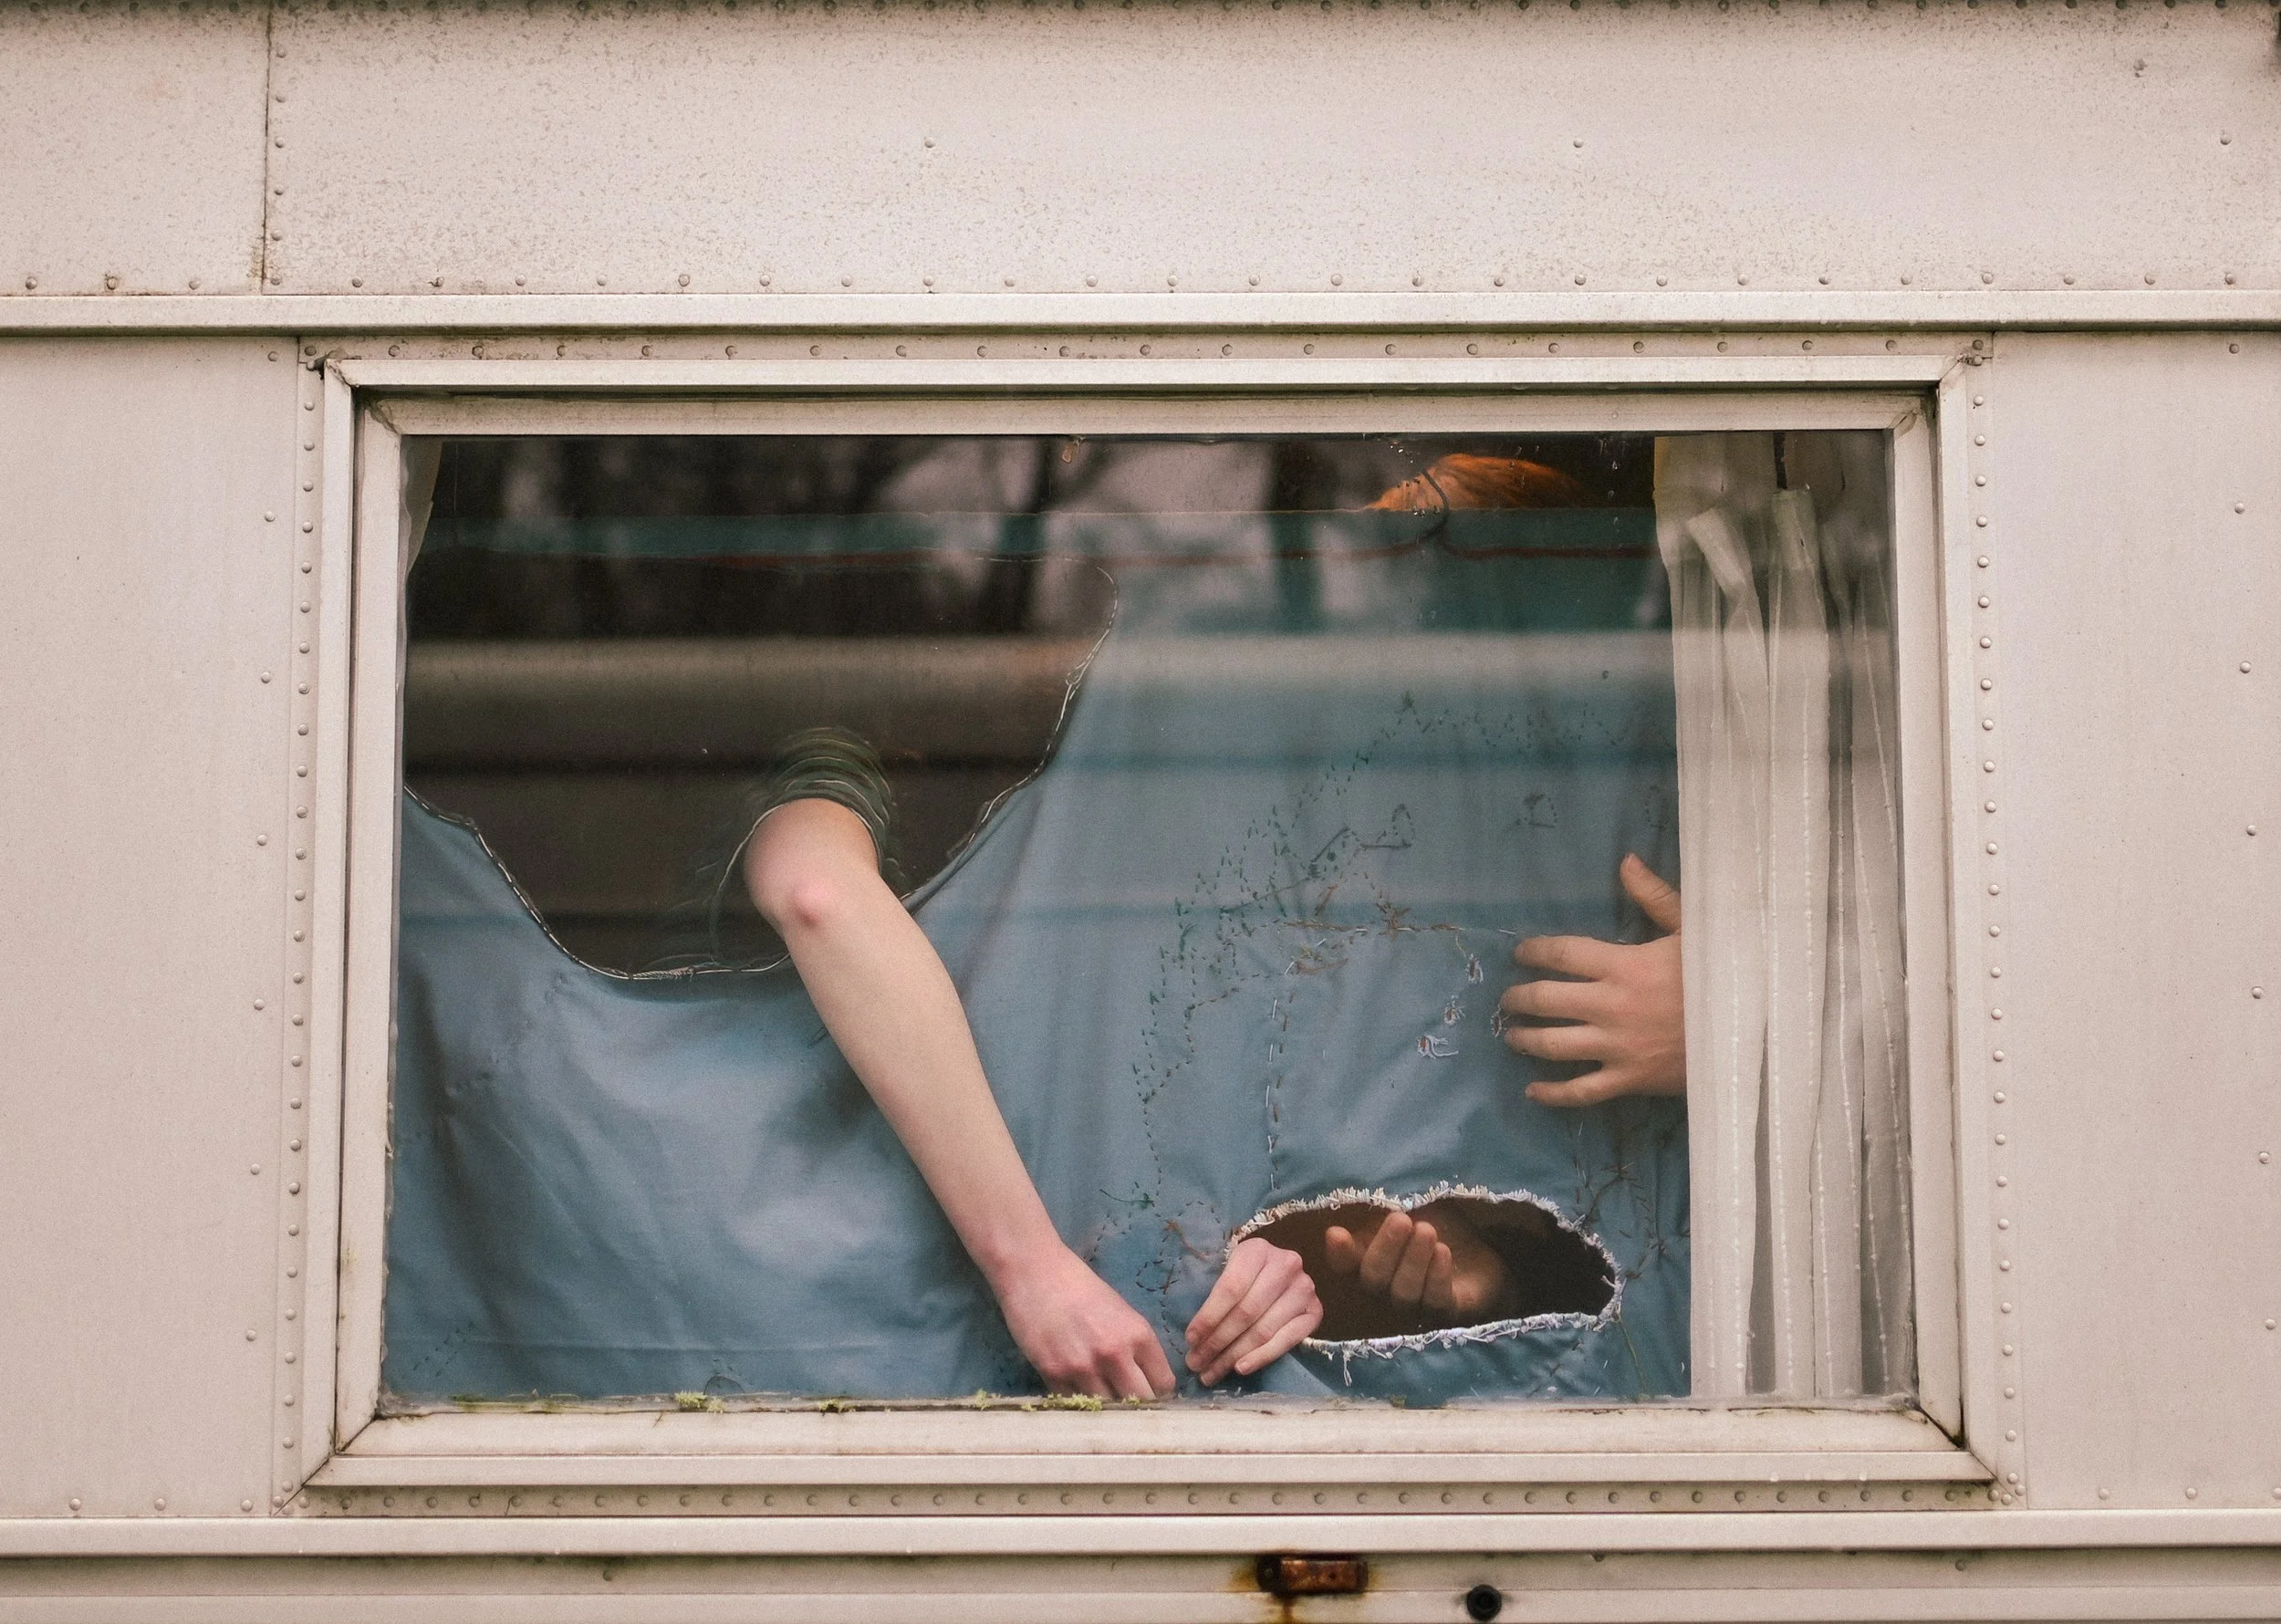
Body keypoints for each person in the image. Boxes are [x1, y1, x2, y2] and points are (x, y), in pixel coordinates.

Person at [742, 732, 1322, 1400]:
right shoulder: (836, 764)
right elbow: (817, 892)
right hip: (841, 1332)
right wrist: (1033, 1269)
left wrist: (1284, 1263)